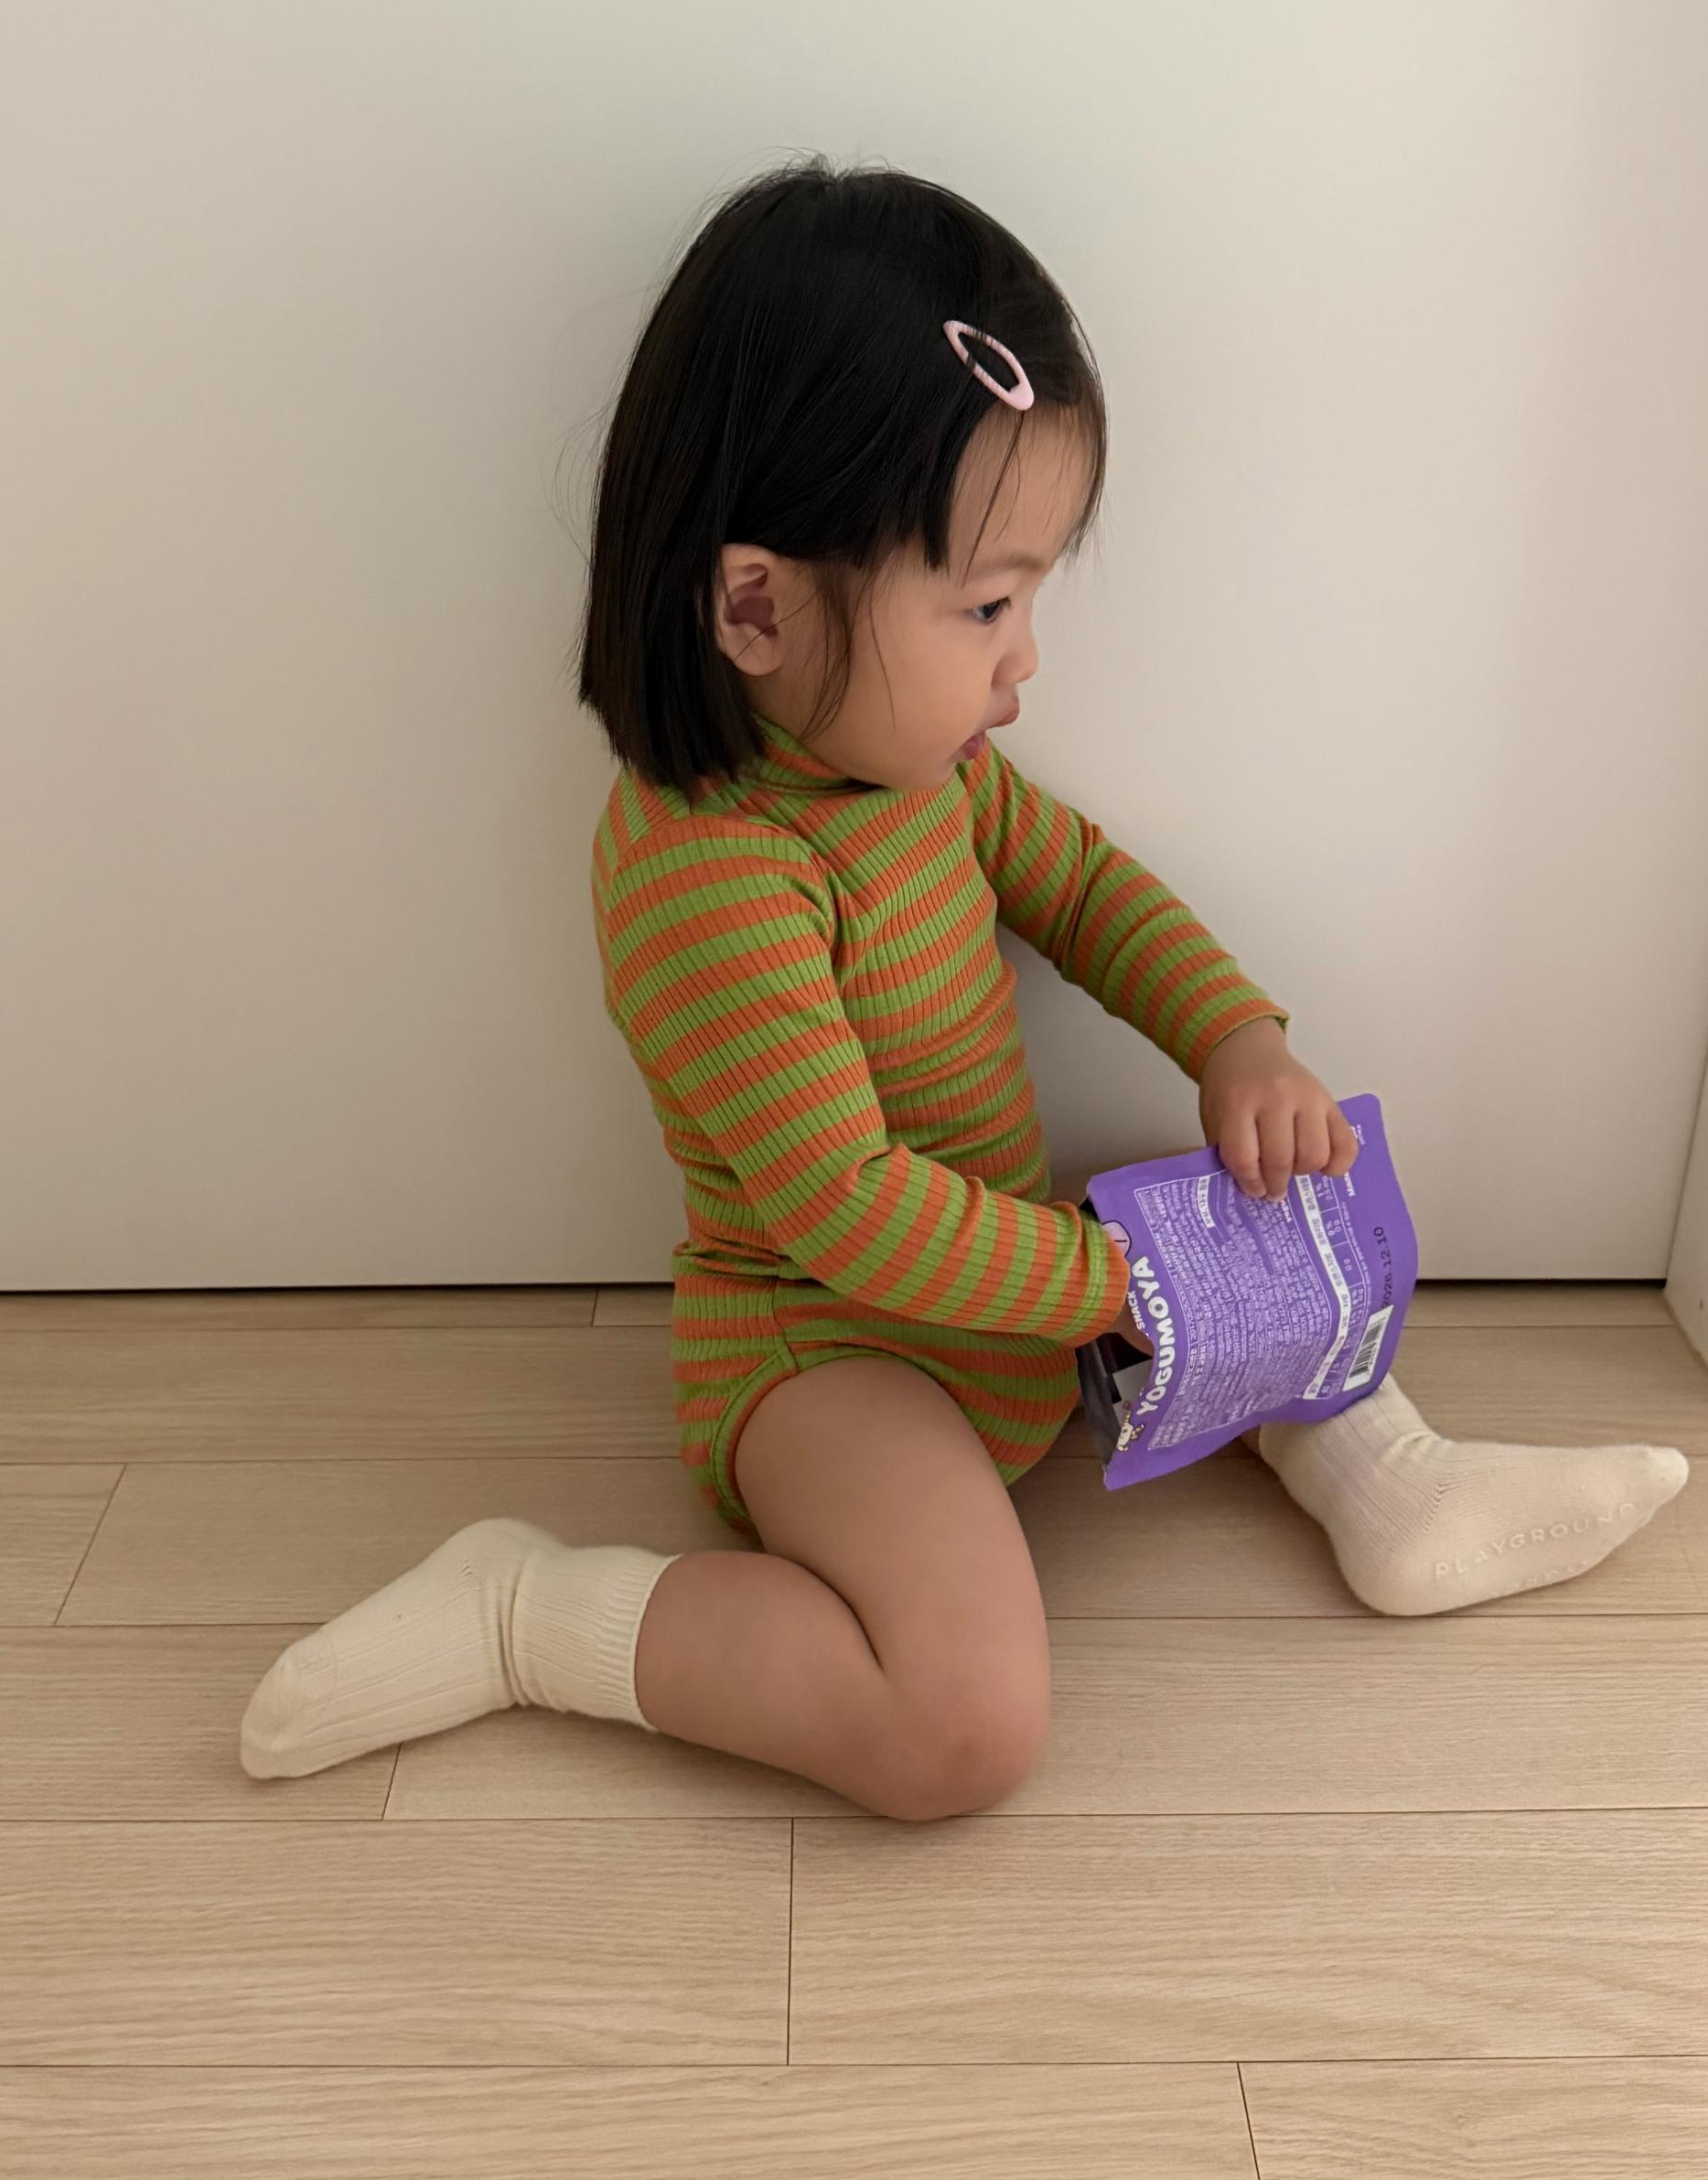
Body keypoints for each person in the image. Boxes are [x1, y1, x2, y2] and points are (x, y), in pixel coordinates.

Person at [241, 160, 1687, 1815]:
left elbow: (1084, 890)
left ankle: (1391, 1479)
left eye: (1033, 595)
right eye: (988, 602)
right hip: (829, 1350)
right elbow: (849, 1209)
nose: (1025, 655)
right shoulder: (708, 875)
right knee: (964, 1728)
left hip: (1003, 1284)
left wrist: (1236, 1037)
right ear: (758, 606)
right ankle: (528, 1613)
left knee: (1241, 1196)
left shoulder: (921, 770)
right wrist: (1112, 1284)